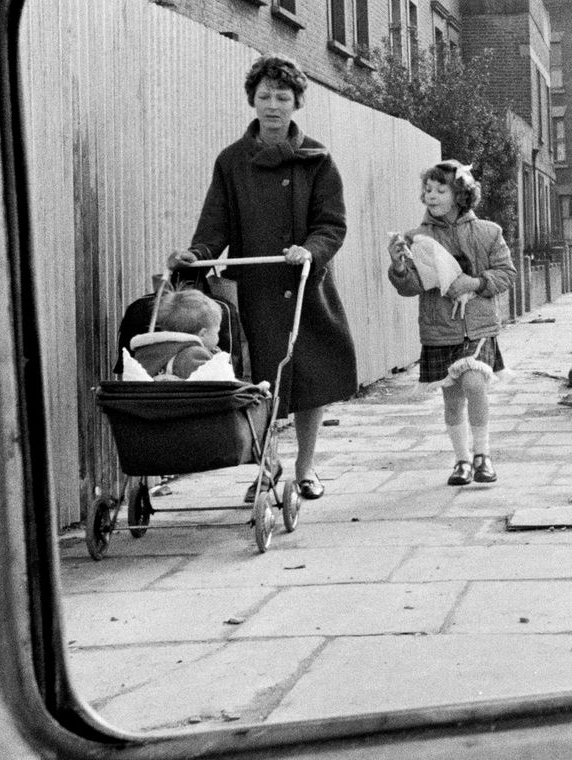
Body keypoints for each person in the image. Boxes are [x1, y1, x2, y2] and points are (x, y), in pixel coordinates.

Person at [167, 54, 358, 501]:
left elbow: (332, 225)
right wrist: (194, 255)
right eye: (265, 96)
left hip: (306, 287)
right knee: (261, 382)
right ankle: (266, 465)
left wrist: (308, 250)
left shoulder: (318, 161)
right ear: (252, 100)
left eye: (283, 97)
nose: (273, 105)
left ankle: (306, 468)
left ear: (297, 103)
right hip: (258, 291)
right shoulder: (232, 162)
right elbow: (216, 226)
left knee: (311, 381)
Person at [388, 160, 516, 485]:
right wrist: (399, 267)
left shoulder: (488, 232)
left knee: (474, 383)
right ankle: (461, 461)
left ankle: (482, 455)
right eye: (428, 189)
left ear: (460, 194)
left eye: (440, 189)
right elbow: (412, 286)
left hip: (479, 327)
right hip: (439, 329)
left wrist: (474, 283)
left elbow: (506, 274)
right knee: (453, 398)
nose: (431, 195)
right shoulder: (417, 238)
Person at [125, 288, 230, 380]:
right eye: (217, 332)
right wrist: (218, 362)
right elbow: (218, 387)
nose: (218, 337)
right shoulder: (195, 355)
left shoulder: (145, 352)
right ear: (203, 334)